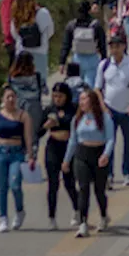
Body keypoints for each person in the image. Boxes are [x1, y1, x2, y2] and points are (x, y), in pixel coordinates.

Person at [95, 34, 129, 188]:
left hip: (127, 110)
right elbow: (97, 88)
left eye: (117, 46)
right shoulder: (104, 65)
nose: (114, 50)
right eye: (111, 47)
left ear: (124, 46)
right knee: (109, 142)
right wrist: (103, 106)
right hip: (109, 109)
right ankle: (108, 174)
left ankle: (127, 172)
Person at [63, 88, 113, 237]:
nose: (82, 102)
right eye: (80, 99)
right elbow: (72, 141)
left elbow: (110, 138)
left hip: (98, 154)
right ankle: (83, 222)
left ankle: (104, 216)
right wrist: (66, 160)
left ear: (92, 100)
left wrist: (106, 154)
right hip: (81, 154)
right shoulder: (77, 119)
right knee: (83, 188)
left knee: (99, 190)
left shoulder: (104, 118)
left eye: (85, 99)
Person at [0, 85, 36, 233]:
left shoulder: (23, 115)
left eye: (13, 96)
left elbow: (28, 137)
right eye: (7, 97)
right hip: (1, 153)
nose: (11, 99)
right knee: (2, 187)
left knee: (15, 185)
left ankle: (20, 211)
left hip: (17, 153)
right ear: (2, 99)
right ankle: (3, 219)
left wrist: (31, 155)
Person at [41, 82, 77, 229]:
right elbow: (39, 130)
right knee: (53, 183)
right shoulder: (49, 109)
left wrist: (60, 121)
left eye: (60, 96)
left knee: (69, 183)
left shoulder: (73, 108)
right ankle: (51, 217)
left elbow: (74, 124)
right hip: (53, 146)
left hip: (68, 147)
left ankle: (77, 210)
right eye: (55, 96)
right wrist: (46, 126)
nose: (57, 99)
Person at [12, 0, 54, 91]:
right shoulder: (43, 13)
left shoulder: (16, 14)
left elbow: (14, 34)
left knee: (22, 85)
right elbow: (50, 31)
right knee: (39, 85)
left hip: (21, 54)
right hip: (40, 53)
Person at [60, 0, 107, 87]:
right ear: (89, 10)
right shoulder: (96, 25)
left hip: (76, 59)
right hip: (92, 59)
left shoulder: (71, 25)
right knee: (89, 87)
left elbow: (66, 45)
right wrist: (104, 61)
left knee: (75, 86)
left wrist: (62, 62)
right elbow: (102, 45)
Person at [8, 52, 44, 130]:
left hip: (17, 105)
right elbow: (45, 90)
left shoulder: (12, 77)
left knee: (17, 134)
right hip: (34, 106)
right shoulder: (37, 77)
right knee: (32, 134)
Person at [0, 0, 27, 67]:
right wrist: (8, 38)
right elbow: (6, 19)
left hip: (24, 38)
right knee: (14, 66)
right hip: (12, 40)